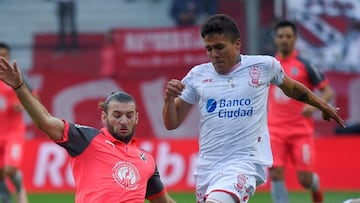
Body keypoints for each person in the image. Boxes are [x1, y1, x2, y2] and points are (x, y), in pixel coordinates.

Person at [162, 14, 345, 203]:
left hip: (244, 163)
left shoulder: (264, 66)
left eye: (219, 47)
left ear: (237, 44)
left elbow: (293, 88)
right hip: (207, 167)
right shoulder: (197, 75)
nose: (214, 54)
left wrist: (323, 105)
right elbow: (171, 123)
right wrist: (168, 99)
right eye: (208, 49)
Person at [0, 57, 176, 203]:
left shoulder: (147, 161)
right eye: (116, 115)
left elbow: (165, 201)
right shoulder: (88, 139)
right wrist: (19, 87)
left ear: (136, 118)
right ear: (104, 118)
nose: (123, 121)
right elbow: (45, 122)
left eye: (129, 115)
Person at [267, 20, 334, 203]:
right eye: (281, 36)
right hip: (275, 130)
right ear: (275, 39)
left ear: (295, 39)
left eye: (288, 36)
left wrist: (313, 107)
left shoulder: (306, 64)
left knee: (305, 179)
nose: (284, 40)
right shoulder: (268, 65)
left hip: (300, 131)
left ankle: (316, 187)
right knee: (276, 172)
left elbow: (328, 92)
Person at [0, 42, 29, 203]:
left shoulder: (16, 76)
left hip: (13, 132)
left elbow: (34, 97)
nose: (1, 58)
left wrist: (23, 104)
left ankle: (18, 185)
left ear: (9, 57)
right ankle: (5, 198)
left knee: (10, 169)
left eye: (4, 55)